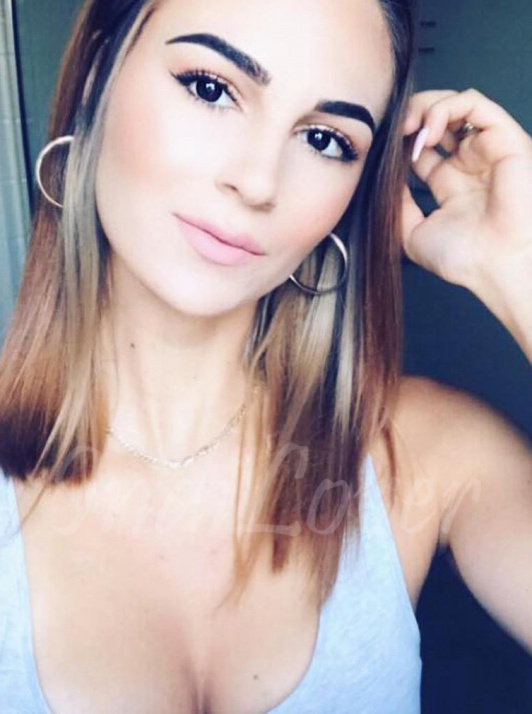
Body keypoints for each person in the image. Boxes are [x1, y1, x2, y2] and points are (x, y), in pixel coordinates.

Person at [0, 0, 531, 711]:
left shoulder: (427, 456)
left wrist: (518, 267)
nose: (258, 182)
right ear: (99, 76)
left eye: (324, 139)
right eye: (211, 88)